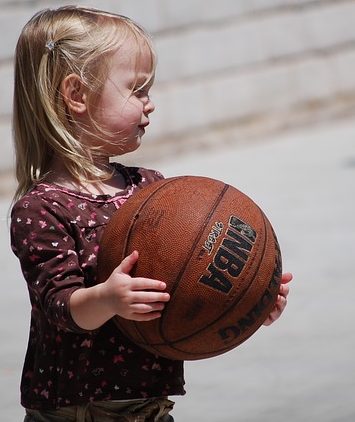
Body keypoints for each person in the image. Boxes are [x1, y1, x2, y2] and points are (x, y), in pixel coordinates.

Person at [10, 6, 292, 421]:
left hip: (147, 406)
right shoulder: (42, 207)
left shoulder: (149, 188)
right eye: (137, 89)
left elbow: (183, 289)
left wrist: (247, 297)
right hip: (78, 409)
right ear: (77, 95)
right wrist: (108, 297)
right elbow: (59, 306)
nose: (150, 103)